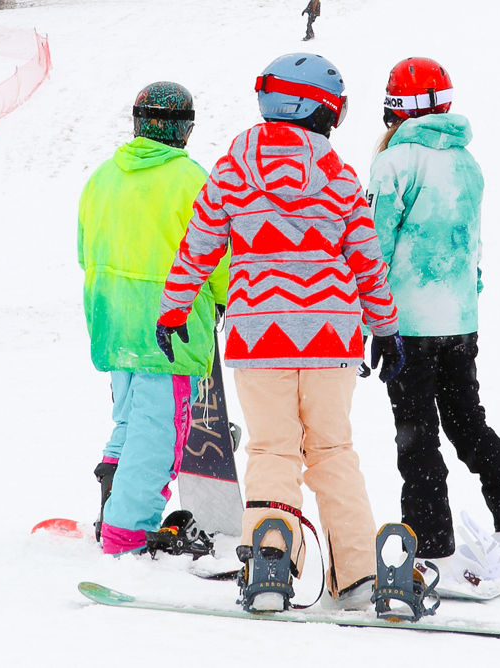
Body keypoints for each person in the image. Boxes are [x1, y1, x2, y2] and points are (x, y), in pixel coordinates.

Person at [156, 53, 403, 612]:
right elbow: (367, 260)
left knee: (272, 448)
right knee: (333, 450)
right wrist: (385, 329)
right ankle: (361, 575)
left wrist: (173, 311)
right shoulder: (338, 176)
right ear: (319, 108)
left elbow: (196, 248)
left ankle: (269, 562)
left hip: (258, 337)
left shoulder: (231, 171)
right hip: (331, 340)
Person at [366, 57, 500, 590]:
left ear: (394, 105)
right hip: (460, 319)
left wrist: (369, 321)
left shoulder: (396, 162)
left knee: (418, 437)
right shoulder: (467, 161)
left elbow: (373, 247)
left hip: (407, 325)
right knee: (467, 423)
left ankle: (432, 551)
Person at [77, 81, 229, 556]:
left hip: (111, 319)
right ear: (184, 129)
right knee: (159, 431)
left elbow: (86, 251)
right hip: (168, 326)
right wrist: (224, 300)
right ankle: (128, 531)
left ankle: (113, 495)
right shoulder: (191, 179)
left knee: (129, 416)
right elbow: (218, 251)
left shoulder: (103, 176)